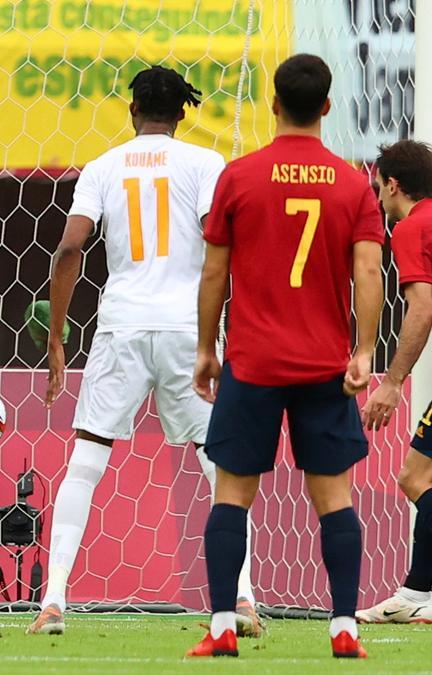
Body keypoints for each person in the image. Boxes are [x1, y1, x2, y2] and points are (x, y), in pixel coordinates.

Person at [28, 65, 258, 636]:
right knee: (217, 464)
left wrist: (57, 340)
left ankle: (53, 599)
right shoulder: (206, 164)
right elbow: (221, 245)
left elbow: (69, 250)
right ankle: (244, 599)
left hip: (122, 326)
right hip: (189, 328)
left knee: (87, 460)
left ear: (132, 111)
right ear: (183, 113)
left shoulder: (104, 168)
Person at [187, 54, 383, 659]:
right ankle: (344, 625)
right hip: (325, 365)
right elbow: (369, 270)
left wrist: (204, 347)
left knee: (230, 495)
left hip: (253, 363)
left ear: (273, 104)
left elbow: (214, 270)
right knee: (334, 499)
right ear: (327, 107)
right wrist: (364, 350)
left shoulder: (239, 176)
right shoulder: (353, 182)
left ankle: (222, 624)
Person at [356, 140, 432, 624]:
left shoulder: (411, 227)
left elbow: (422, 307)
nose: (378, 199)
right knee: (416, 476)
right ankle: (418, 592)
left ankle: (416, 593)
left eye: (379, 188)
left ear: (393, 184)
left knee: (417, 476)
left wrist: (392, 382)